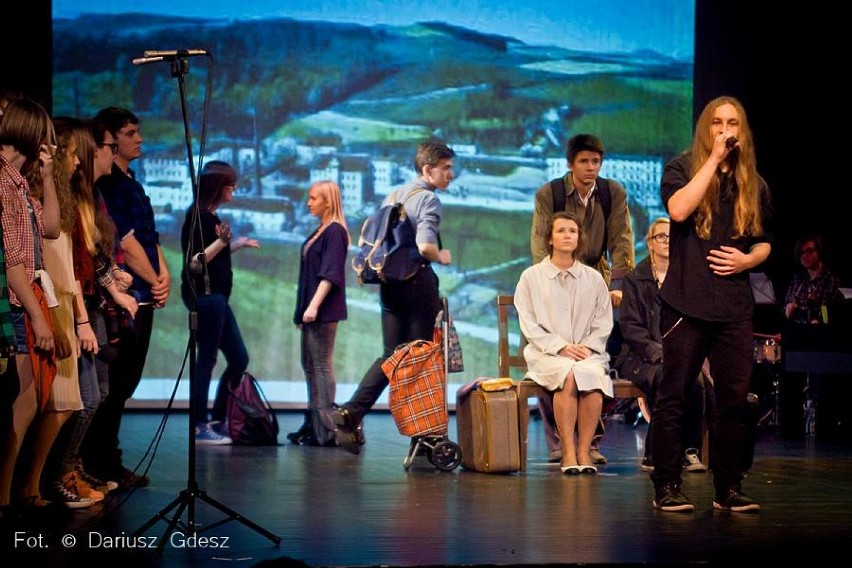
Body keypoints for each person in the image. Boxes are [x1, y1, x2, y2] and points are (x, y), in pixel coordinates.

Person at [650, 95, 771, 513]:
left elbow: (765, 242)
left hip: (734, 306)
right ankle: (666, 483)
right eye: (717, 123)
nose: (725, 130)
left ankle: (728, 486)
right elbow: (679, 210)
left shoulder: (753, 183)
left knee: (736, 399)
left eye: (733, 123)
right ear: (706, 129)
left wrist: (749, 258)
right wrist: (713, 160)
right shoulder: (682, 168)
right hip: (686, 303)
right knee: (676, 395)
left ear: (743, 130)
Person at [331, 140, 454, 454]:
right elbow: (426, 246)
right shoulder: (428, 200)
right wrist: (442, 256)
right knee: (419, 359)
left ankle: (352, 411)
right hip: (417, 283)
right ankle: (424, 438)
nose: (451, 175)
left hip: (389, 284)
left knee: (392, 354)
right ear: (428, 169)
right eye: (446, 168)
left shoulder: (395, 194)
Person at [530, 133, 635, 465]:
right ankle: (560, 442)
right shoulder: (551, 193)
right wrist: (544, 280)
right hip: (555, 274)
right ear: (570, 164)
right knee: (555, 359)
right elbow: (540, 238)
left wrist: (618, 281)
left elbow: (621, 236)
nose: (591, 168)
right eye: (584, 162)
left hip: (594, 278)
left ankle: (590, 442)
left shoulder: (610, 192)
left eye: (596, 162)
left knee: (594, 358)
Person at [79, 107, 170, 489]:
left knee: (125, 384)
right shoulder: (111, 185)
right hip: (126, 294)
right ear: (111, 140)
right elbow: (126, 242)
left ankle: (105, 459)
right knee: (114, 385)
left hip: (144, 290)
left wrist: (163, 275)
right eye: (131, 133)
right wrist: (152, 279)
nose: (139, 139)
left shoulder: (131, 180)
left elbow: (151, 238)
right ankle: (99, 461)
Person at [516, 212, 613, 474]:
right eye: (561, 230)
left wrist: (588, 347)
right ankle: (568, 450)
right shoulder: (531, 277)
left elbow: (603, 322)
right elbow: (529, 324)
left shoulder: (593, 279)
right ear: (549, 238)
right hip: (545, 353)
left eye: (573, 230)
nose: (568, 235)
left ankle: (585, 450)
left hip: (586, 352)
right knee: (568, 375)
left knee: (590, 375)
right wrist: (560, 346)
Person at [0, 98, 60, 512]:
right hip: (14, 306)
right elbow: (13, 260)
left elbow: (51, 227)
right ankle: (2, 499)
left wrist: (49, 174)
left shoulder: (19, 182)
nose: (48, 146)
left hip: (25, 303)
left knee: (25, 403)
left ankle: (5, 496)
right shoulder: (1, 181)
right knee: (17, 408)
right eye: (45, 138)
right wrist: (38, 317)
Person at [615, 217, 709, 474]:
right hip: (639, 356)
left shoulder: (686, 278)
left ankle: (689, 451)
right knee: (667, 378)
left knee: (697, 381)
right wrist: (659, 352)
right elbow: (630, 327)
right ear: (649, 242)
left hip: (679, 354)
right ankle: (656, 453)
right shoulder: (636, 279)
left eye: (671, 236)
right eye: (660, 237)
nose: (667, 241)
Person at [181, 161, 259, 445]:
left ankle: (216, 417)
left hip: (217, 299)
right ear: (218, 187)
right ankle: (199, 425)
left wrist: (234, 244)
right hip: (207, 299)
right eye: (231, 184)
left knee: (238, 358)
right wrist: (222, 242)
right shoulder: (201, 218)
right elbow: (194, 263)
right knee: (207, 361)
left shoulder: (209, 217)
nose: (235, 189)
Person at [288, 180, 349, 447]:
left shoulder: (334, 231)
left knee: (321, 365)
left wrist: (313, 306)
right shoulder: (321, 229)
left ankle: (328, 428)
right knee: (310, 365)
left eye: (313, 198)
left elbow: (331, 273)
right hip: (311, 310)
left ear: (328, 201)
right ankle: (315, 425)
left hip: (323, 310)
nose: (309, 202)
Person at [783, 235, 842, 325]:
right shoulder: (797, 280)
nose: (805, 255)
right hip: (795, 331)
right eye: (801, 253)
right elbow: (786, 303)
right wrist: (788, 308)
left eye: (810, 251)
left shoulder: (830, 280)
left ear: (819, 252)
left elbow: (827, 311)